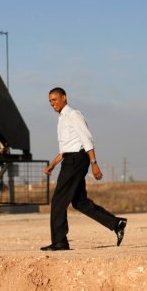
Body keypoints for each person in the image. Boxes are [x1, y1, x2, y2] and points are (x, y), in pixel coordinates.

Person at [41, 87, 127, 251]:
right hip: (70, 159)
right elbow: (66, 149)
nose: (52, 104)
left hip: (77, 160)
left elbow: (86, 139)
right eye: (50, 101)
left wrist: (94, 163)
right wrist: (53, 164)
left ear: (64, 97)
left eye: (55, 99)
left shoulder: (73, 115)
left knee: (59, 200)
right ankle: (116, 224)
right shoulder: (62, 118)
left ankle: (60, 241)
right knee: (79, 202)